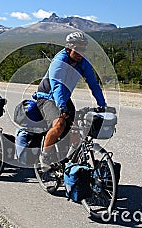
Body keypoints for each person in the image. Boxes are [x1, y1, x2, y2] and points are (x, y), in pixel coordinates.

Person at [35, 31, 107, 169]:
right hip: (47, 97)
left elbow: (93, 84)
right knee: (60, 124)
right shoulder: (59, 62)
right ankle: (44, 156)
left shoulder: (83, 63)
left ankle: (68, 159)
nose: (81, 52)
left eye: (83, 48)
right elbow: (57, 86)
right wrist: (62, 107)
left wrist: (102, 104)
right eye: (78, 48)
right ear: (68, 49)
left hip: (64, 98)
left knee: (78, 129)